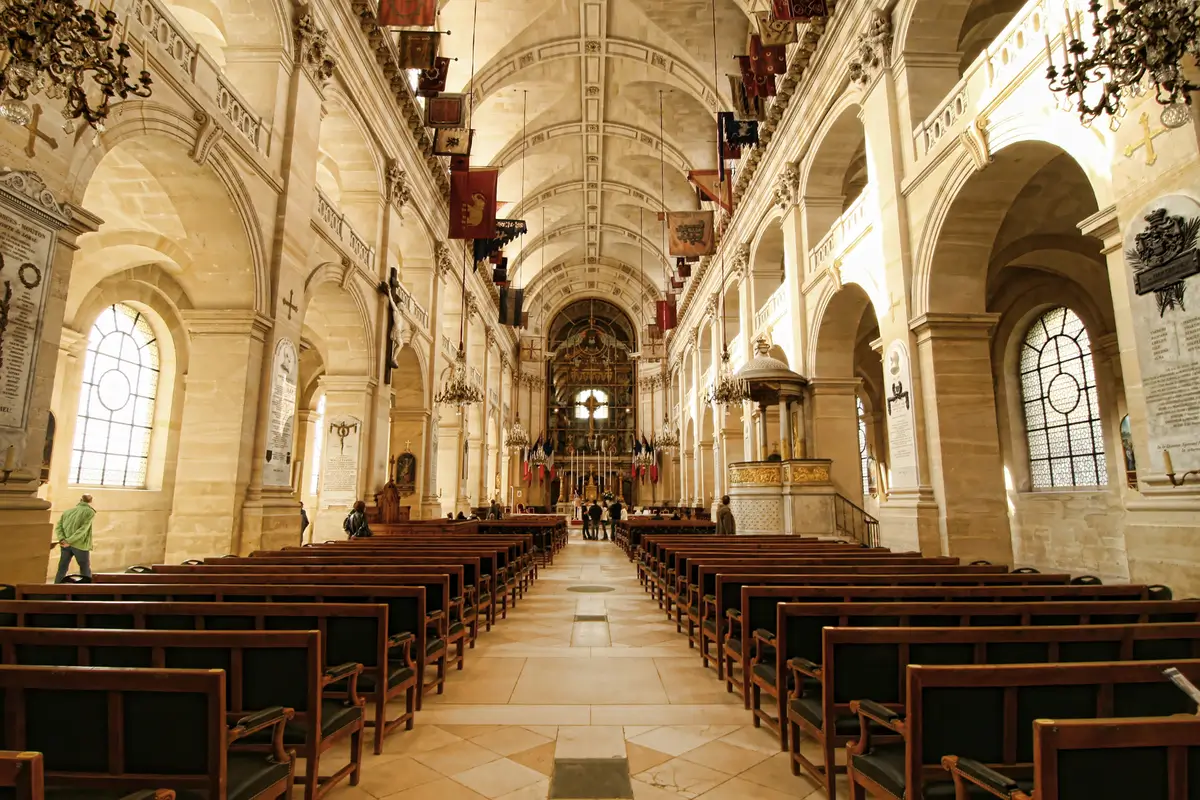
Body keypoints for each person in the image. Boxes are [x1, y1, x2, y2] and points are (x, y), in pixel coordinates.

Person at [54, 494, 95, 583]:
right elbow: (83, 529)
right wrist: (69, 541)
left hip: (65, 545)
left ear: (80, 500)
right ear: (90, 501)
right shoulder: (90, 512)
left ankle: (56, 588)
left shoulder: (67, 512)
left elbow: (58, 527)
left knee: (62, 568)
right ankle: (87, 590)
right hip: (80, 545)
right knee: (85, 569)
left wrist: (62, 539)